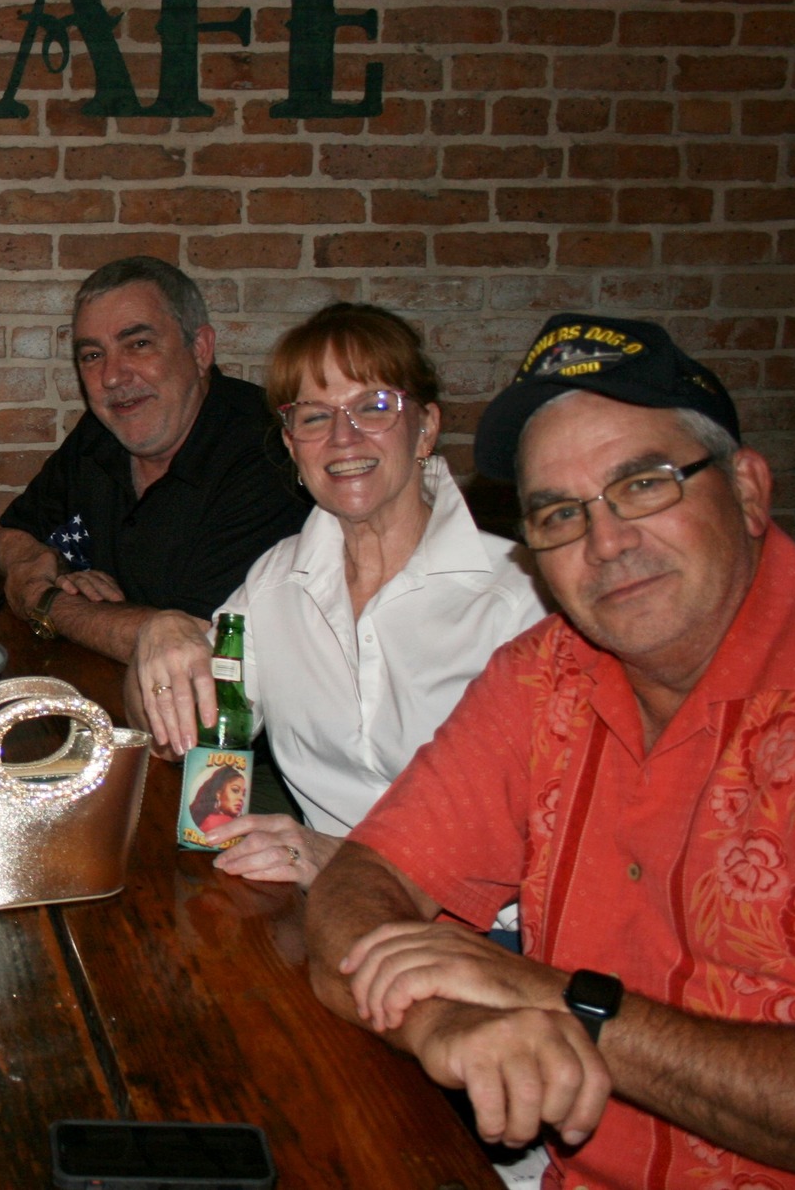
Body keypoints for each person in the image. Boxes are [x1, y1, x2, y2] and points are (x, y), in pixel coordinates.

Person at [306, 313, 795, 1189]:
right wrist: (445, 1023)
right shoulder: (543, 675)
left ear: (749, 491)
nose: (606, 542)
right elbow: (358, 885)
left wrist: (567, 1003)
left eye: (644, 485)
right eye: (561, 513)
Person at [130, 305, 547, 890]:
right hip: (327, 901)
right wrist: (158, 635)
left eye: (373, 407)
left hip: (486, 924)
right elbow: (173, 736)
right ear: (291, 445)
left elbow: (552, 828)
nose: (343, 437)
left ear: (426, 427)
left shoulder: (521, 597)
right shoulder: (276, 581)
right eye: (315, 416)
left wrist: (346, 859)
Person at [0, 255, 303, 663]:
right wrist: (39, 566)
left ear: (200, 349)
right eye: (93, 355)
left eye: (138, 344)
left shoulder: (266, 450)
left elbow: (191, 642)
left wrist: (44, 600)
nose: (112, 376)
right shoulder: (102, 431)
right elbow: (14, 530)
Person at [189, 769, 247, 836]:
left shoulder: (205, 818)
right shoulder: (222, 821)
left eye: (243, 794)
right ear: (218, 794)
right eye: (235, 790)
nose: (241, 798)